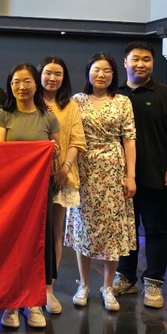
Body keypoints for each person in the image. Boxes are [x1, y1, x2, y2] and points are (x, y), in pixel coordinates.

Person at [113, 42, 167, 309]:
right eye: (135, 59)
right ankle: (126, 277)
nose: (140, 64)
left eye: (146, 59)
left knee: (156, 228)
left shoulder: (165, 94)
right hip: (120, 177)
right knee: (125, 229)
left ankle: (154, 282)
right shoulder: (114, 94)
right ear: (125, 62)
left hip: (156, 172)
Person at [65, 52, 136, 313]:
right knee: (84, 227)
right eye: (97, 69)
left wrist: (131, 175)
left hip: (113, 170)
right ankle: (83, 284)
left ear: (113, 74)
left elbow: (129, 139)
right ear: (88, 72)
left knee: (112, 229)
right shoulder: (77, 100)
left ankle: (107, 286)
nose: (101, 74)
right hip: (84, 169)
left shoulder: (122, 101)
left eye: (107, 70)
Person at [0, 63, 60, 330]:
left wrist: (51, 152)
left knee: (38, 243)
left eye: (27, 81)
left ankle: (33, 302)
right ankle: (10, 303)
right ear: (10, 86)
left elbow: (55, 151)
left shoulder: (48, 117)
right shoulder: (2, 115)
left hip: (40, 191)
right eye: (16, 82)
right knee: (11, 243)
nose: (21, 87)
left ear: (36, 84)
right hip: (9, 191)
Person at [39, 56, 85, 315]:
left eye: (58, 74)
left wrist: (65, 168)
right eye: (48, 73)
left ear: (64, 78)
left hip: (61, 176)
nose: (52, 78)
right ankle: (28, 286)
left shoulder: (71, 106)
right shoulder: (31, 101)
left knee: (55, 232)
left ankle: (49, 288)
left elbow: (77, 140)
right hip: (33, 178)